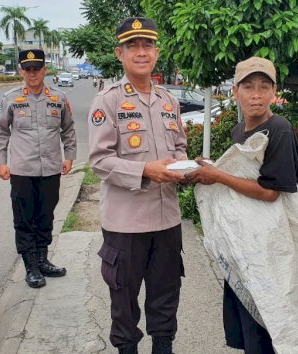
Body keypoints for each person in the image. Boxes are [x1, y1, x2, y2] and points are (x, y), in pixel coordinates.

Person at [186, 57, 298, 354]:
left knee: (268, 319)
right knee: (247, 315)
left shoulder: (279, 129)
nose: (256, 94)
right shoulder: (240, 131)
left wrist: (218, 175)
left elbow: (271, 193)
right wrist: (211, 169)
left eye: (264, 87)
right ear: (235, 91)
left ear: (274, 93)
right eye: (248, 86)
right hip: (246, 242)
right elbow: (241, 176)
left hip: (270, 244)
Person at [87, 17, 188, 354]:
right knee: (124, 298)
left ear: (156, 52)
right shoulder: (109, 101)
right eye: (133, 46)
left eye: (147, 45)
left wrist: (184, 165)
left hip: (167, 220)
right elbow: (99, 160)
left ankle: (163, 347)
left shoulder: (169, 101)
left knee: (165, 293)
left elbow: (180, 146)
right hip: (126, 223)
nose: (142, 52)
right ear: (120, 53)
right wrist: (146, 169)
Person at [0, 49, 77, 289]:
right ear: (21, 70)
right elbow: (1, 131)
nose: (32, 74)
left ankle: (42, 260)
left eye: (36, 69)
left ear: (45, 70)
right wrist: (1, 161)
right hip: (22, 170)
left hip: (50, 168)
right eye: (27, 69)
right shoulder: (11, 98)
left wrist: (69, 156)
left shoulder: (58, 98)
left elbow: (68, 129)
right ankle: (30, 266)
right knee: (24, 218)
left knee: (45, 216)